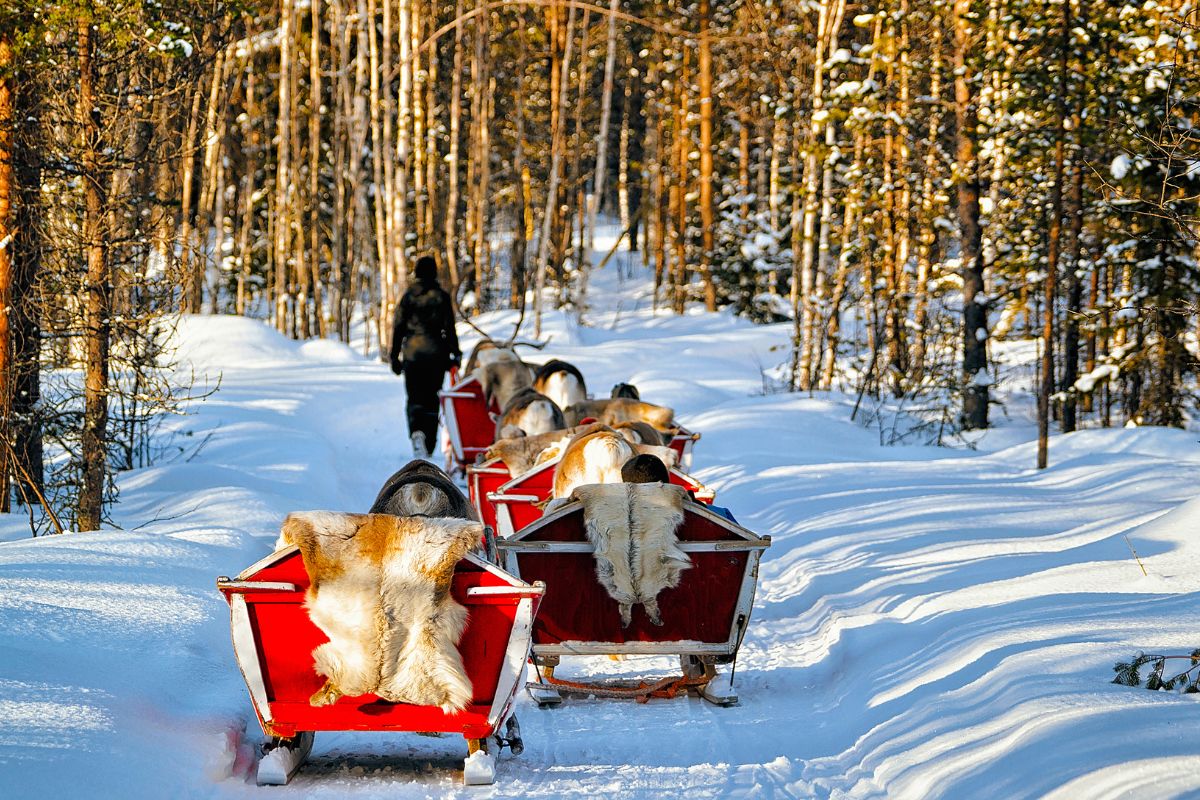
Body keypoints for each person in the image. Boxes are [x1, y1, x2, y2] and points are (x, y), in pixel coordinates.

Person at [389, 255, 461, 459]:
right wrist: (455, 354)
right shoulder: (441, 296)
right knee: (432, 399)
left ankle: (416, 433)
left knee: (414, 398)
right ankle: (429, 443)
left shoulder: (408, 296)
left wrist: (394, 356)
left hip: (412, 354)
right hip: (436, 355)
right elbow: (449, 329)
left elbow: (398, 327)